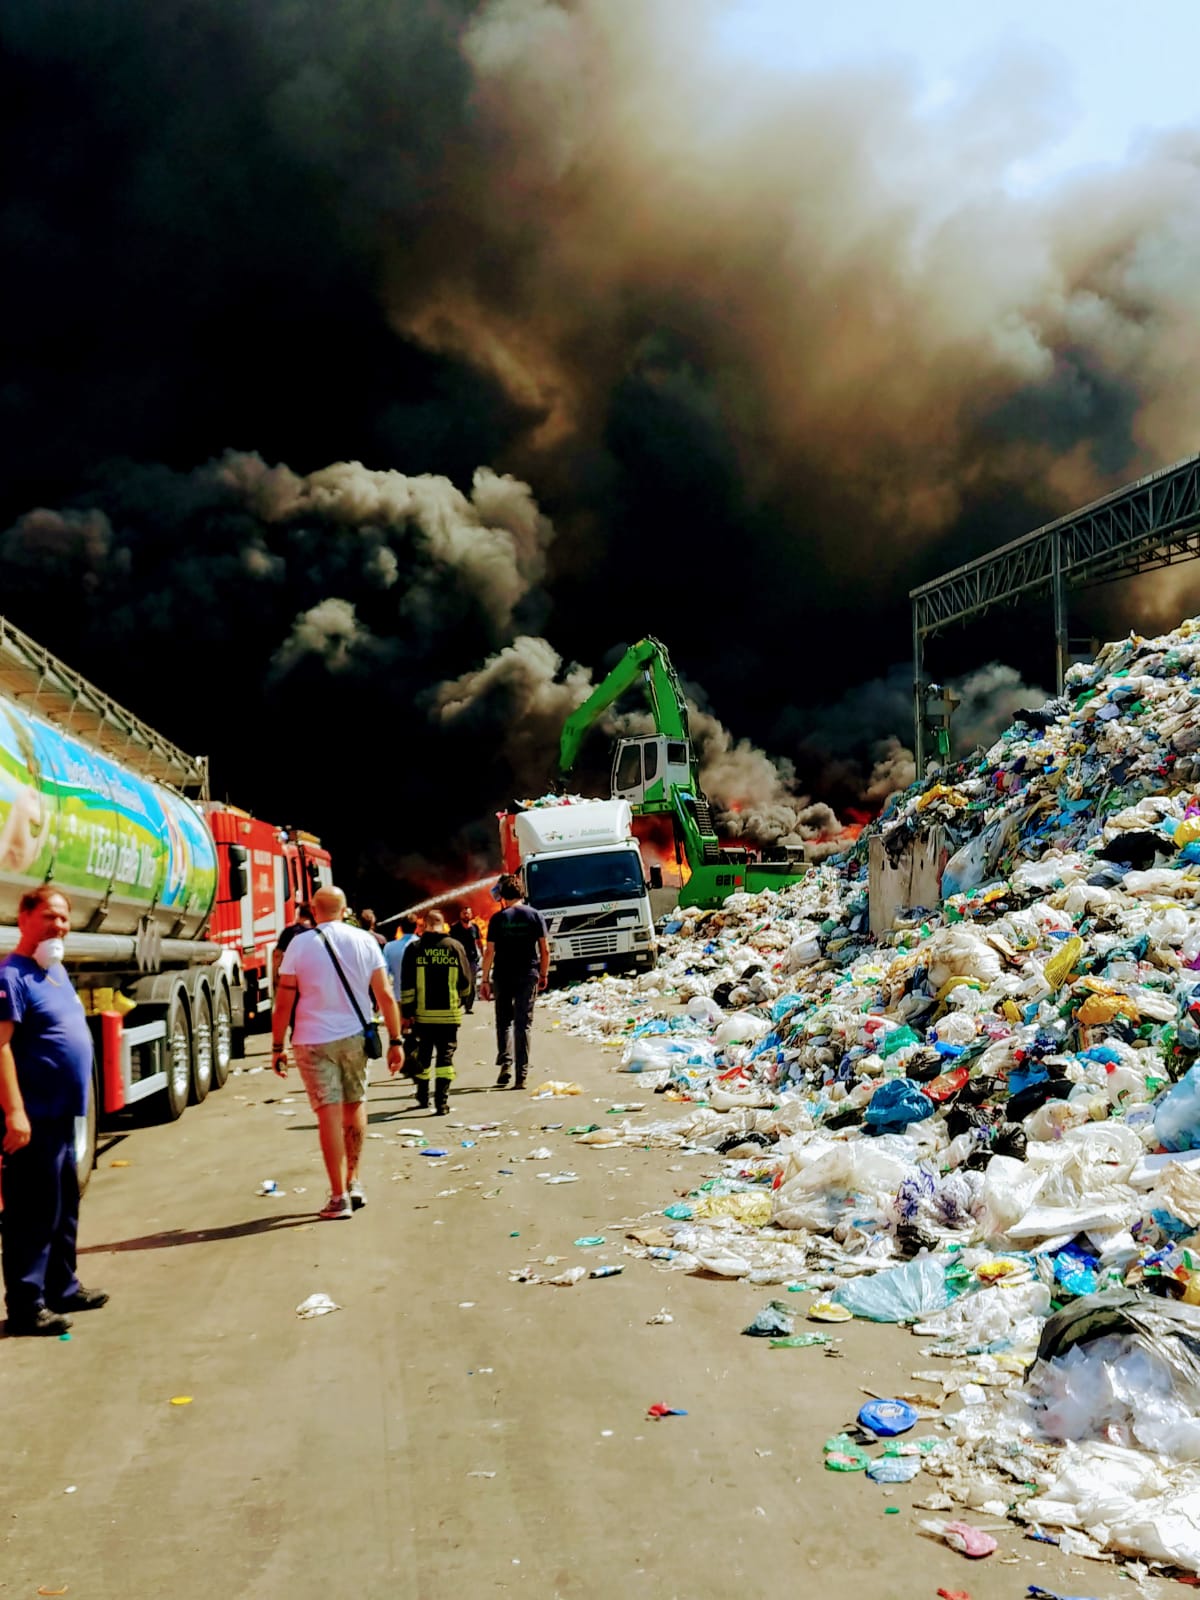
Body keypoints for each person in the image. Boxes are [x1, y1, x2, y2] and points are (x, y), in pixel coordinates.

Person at [0, 885, 107, 1336]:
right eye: (49, 917)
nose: (59, 925)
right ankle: (27, 1303)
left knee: (63, 1204)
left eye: (64, 918)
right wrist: (14, 1112)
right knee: (32, 1211)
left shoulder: (54, 970)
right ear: (24, 918)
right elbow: (1, 1047)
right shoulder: (11, 975)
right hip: (35, 1116)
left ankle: (63, 1286)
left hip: (65, 1114)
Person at [271, 885, 404, 1220]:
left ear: (314, 910)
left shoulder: (299, 944)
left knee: (327, 1114)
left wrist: (277, 1046)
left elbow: (283, 1000)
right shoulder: (365, 941)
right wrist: (396, 1040)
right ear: (345, 910)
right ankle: (354, 1180)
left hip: (312, 1040)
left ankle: (337, 1196)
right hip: (355, 1037)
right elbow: (385, 996)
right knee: (354, 1105)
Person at [480, 874, 549, 1090]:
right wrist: (544, 974)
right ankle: (522, 1075)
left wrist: (484, 979)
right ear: (521, 893)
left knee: (504, 1021)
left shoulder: (498, 919)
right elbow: (545, 949)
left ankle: (506, 1064)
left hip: (502, 975)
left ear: (502, 896)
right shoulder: (535, 915)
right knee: (523, 1023)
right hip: (528, 974)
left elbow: (489, 951)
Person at [399, 908, 472, 1115]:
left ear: (424, 925)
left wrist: (407, 1012)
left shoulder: (414, 949)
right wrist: (463, 1000)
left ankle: (423, 1097)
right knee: (445, 1058)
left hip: (423, 1016)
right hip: (449, 1016)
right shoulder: (455, 947)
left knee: (423, 1055)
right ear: (444, 925)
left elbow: (407, 984)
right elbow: (466, 981)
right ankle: (442, 1103)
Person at [447, 904, 483, 1013]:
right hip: (458, 960)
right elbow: (450, 943)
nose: (466, 915)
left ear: (471, 915)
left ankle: (468, 1006)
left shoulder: (475, 927)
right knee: (458, 982)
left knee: (472, 983)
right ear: (460, 915)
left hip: (472, 960)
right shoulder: (454, 928)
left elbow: (479, 942)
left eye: (468, 913)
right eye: (464, 913)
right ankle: (459, 1002)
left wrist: (482, 954)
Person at [272, 900, 313, 984]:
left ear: (299, 914)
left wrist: (275, 974)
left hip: (291, 978)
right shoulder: (318, 932)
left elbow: (277, 955)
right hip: (311, 977)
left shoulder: (288, 932)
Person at [383, 915, 419, 1006]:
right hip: (420, 998)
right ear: (416, 928)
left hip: (398, 996)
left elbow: (384, 975)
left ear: (401, 928)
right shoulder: (424, 946)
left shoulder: (389, 947)